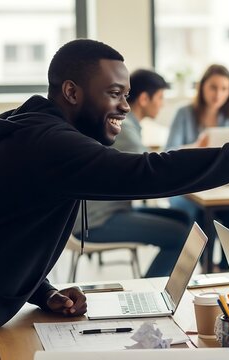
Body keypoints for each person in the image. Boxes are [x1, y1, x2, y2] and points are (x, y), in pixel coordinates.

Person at [0, 38, 229, 327]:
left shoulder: (29, 126)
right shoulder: (51, 143)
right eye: (114, 94)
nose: (125, 106)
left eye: (126, 95)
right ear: (71, 92)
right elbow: (153, 171)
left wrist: (43, 291)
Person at [72, 69, 191, 278]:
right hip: (96, 223)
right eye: (161, 97)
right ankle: (151, 291)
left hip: (104, 213)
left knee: (183, 217)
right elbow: (150, 177)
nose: (162, 104)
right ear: (145, 99)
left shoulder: (126, 125)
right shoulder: (124, 128)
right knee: (181, 234)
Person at [165, 64, 229, 271]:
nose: (218, 94)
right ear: (202, 88)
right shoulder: (184, 113)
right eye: (213, 87)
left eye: (224, 89)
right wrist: (197, 146)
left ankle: (228, 270)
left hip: (222, 185)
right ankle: (206, 268)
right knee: (199, 214)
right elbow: (168, 152)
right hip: (187, 188)